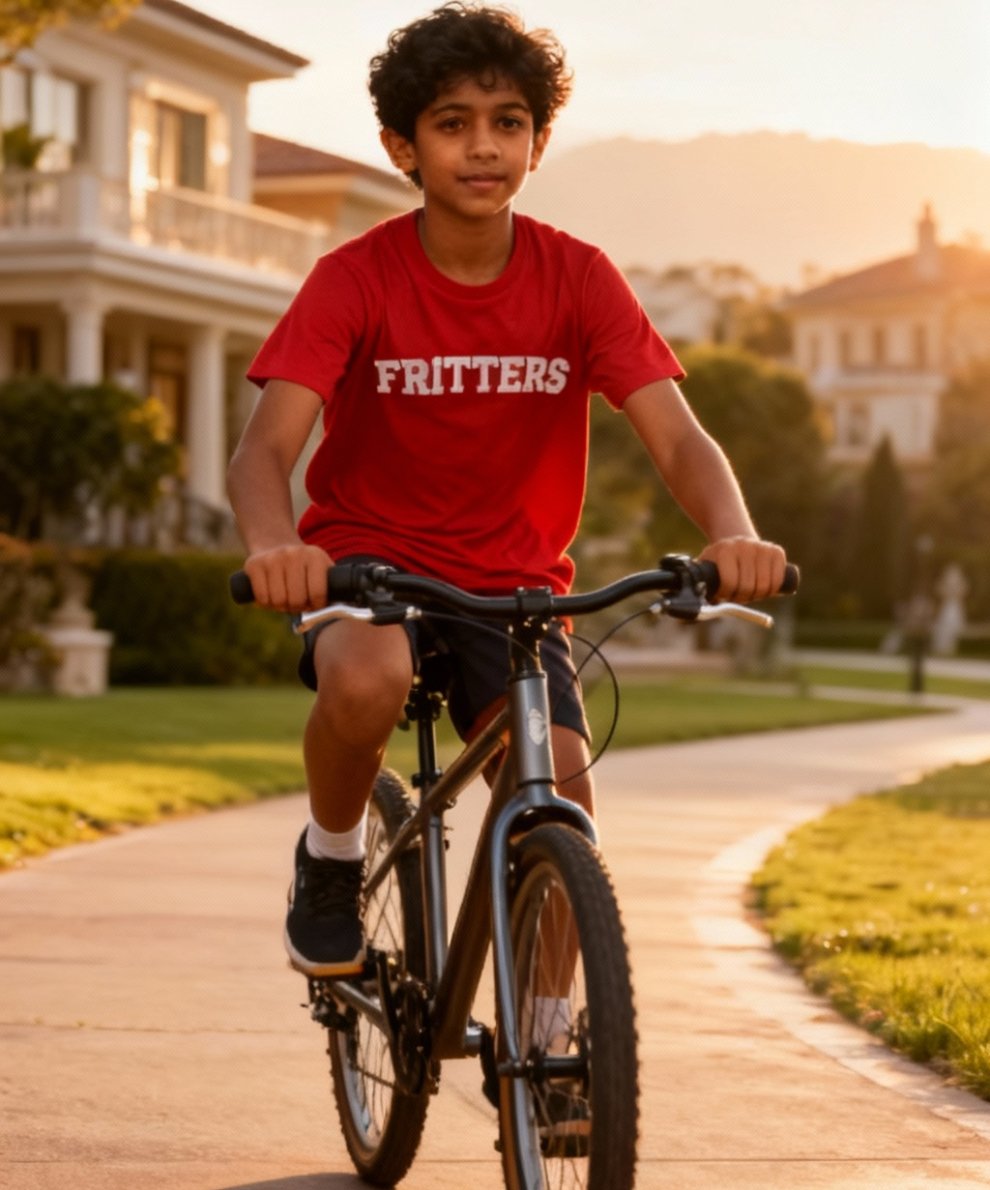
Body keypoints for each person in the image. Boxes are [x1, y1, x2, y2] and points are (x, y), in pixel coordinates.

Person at [227, 2, 787, 979]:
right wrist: (280, 545)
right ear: (403, 145)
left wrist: (734, 529)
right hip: (373, 564)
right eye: (452, 123)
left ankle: (551, 1037)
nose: (483, 147)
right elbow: (262, 450)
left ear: (538, 137)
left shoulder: (580, 277)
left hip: (514, 585)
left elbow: (677, 434)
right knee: (367, 679)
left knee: (561, 798)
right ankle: (331, 853)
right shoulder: (355, 278)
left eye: (509, 122)